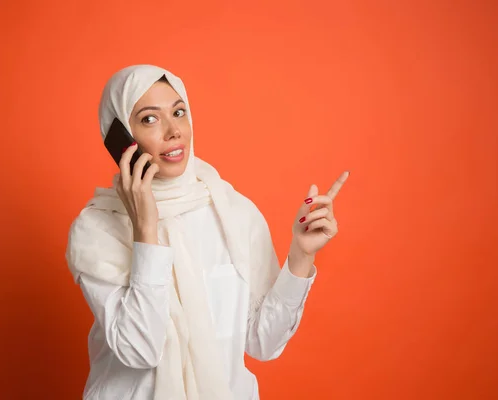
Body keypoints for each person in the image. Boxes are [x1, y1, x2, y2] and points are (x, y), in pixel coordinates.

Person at [66, 64, 349, 400]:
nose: (174, 131)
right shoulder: (96, 229)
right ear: (120, 138)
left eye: (179, 112)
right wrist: (146, 228)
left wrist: (301, 256)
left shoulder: (232, 212)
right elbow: (139, 350)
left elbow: (263, 344)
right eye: (149, 119)